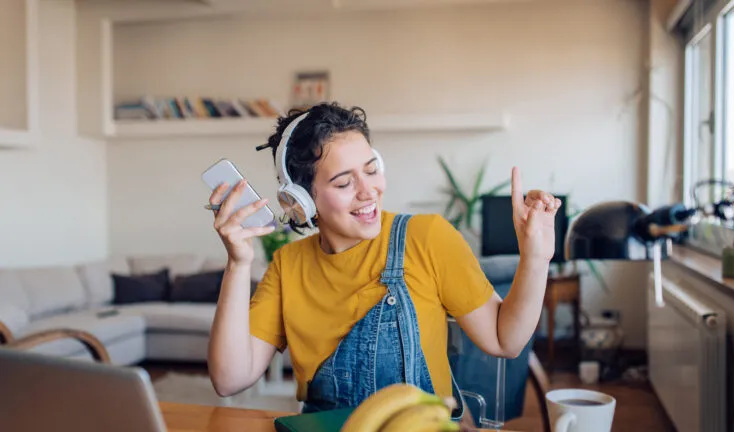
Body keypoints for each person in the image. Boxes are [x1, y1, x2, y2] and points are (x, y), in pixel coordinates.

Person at [206, 102, 561, 418]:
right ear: (301, 201)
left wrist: (536, 255)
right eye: (344, 183)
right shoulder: (287, 266)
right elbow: (228, 380)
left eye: (372, 169)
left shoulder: (427, 237)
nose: (368, 191)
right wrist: (237, 263)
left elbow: (505, 341)